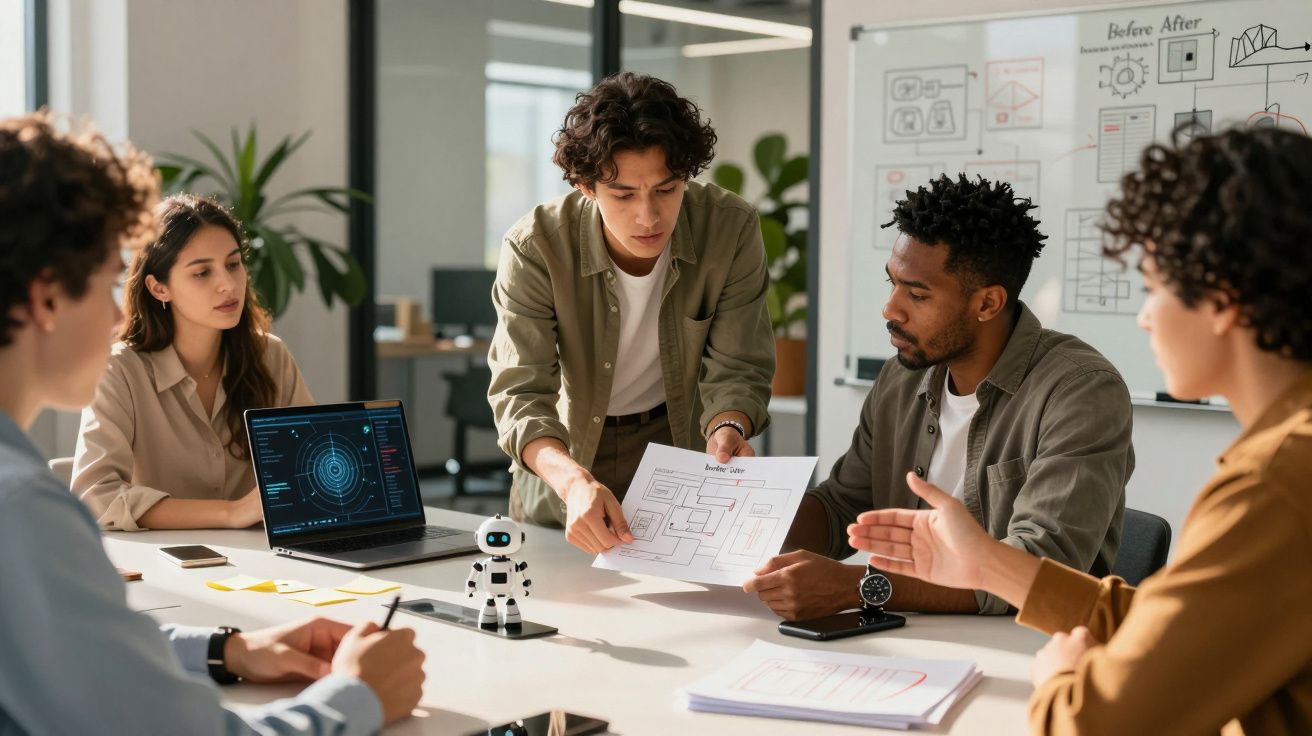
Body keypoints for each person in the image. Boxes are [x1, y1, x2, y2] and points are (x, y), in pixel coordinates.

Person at [849, 127, 1312, 734]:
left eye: (1154, 288)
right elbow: (1168, 621)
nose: (1144, 317)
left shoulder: (1275, 485)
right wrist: (987, 564)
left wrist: (1061, 676)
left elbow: (1096, 724)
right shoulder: (1288, 461)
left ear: (1222, 301)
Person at [0, 112, 424, 734]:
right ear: (45, 298)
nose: (115, 314)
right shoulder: (23, 511)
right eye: (105, 282)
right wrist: (356, 697)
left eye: (232, 265)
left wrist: (228, 649)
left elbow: (78, 649)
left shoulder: (19, 500)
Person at [746, 174, 1134, 620]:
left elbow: (1042, 568)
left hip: (1021, 645)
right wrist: (750, 520)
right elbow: (841, 507)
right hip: (905, 634)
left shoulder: (1081, 390)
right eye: (892, 283)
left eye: (916, 294)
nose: (891, 309)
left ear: (987, 304)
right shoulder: (901, 376)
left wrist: (858, 587)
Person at [488, 71, 775, 554]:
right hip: (565, 457)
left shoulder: (729, 229)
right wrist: (573, 481)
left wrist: (728, 429)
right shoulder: (536, 246)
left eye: (667, 189)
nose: (649, 216)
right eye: (623, 195)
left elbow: (739, 366)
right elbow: (520, 393)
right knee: (556, 594)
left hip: (677, 446)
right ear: (586, 187)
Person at [72, 194, 313, 530]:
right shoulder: (119, 371)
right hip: (161, 559)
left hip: (266, 558)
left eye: (233, 264)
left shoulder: (271, 357)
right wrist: (231, 513)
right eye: (202, 272)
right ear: (159, 288)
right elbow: (95, 496)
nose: (227, 284)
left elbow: (309, 469)